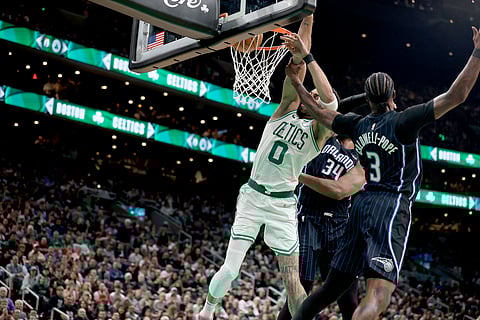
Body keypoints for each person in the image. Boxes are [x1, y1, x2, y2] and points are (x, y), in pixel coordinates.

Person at [282, 26, 480, 319]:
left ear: (369, 99)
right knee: (377, 295)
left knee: (329, 290)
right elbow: (457, 94)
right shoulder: (403, 122)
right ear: (393, 96)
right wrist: (477, 52)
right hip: (390, 205)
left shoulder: (357, 124)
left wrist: (297, 82)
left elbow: (320, 112)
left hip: (359, 207)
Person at [197, 14, 339, 320]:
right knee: (230, 269)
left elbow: (330, 102)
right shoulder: (285, 108)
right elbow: (298, 59)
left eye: (313, 96)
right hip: (252, 197)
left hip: (283, 206)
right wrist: (309, 15)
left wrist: (310, 60)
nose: (311, 95)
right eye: (309, 93)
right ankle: (207, 310)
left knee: (292, 281)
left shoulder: (319, 133)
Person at [277, 133, 365, 320]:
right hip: (307, 217)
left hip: (340, 224)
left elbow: (338, 191)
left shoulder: (363, 156)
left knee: (348, 297)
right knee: (299, 289)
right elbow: (329, 105)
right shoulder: (325, 134)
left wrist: (298, 175)